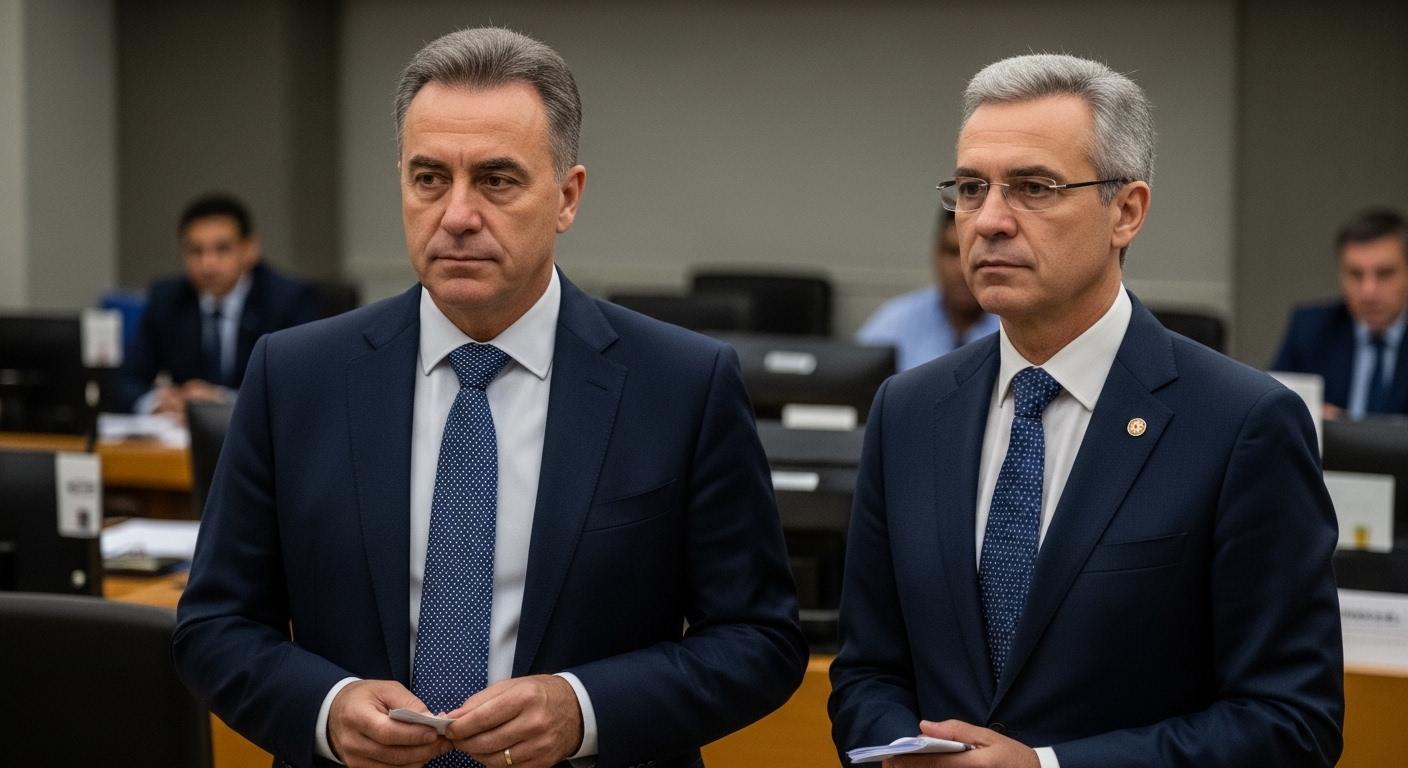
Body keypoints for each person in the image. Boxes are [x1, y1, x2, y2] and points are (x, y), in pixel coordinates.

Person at [173, 27, 805, 768]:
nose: (458, 214)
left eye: (497, 180)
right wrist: (325, 707)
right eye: (429, 178)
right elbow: (214, 624)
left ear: (566, 197)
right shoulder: (295, 375)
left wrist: (583, 709)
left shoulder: (682, 384)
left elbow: (760, 639)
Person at [828, 54, 1343, 767]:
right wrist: (901, 750)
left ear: (1126, 212)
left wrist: (1045, 767)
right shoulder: (909, 409)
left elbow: (1291, 721)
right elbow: (866, 671)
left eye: (1033, 187)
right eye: (972, 188)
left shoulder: (1243, 424)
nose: (990, 221)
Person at [113, 194, 318, 414]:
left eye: (222, 249)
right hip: (180, 440)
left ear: (250, 249)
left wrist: (222, 401)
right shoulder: (167, 299)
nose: (208, 264)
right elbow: (126, 382)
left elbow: (300, 387)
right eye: (196, 251)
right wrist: (158, 402)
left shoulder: (288, 300)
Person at [1271, 208, 1408, 418]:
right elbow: (1272, 409)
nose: (1368, 291)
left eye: (1384, 274)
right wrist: (1310, 414)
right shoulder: (1311, 329)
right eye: (1355, 274)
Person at [857, 208, 999, 371]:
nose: (961, 268)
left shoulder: (1015, 328)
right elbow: (855, 381)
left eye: (975, 253)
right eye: (952, 252)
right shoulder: (897, 319)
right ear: (936, 254)